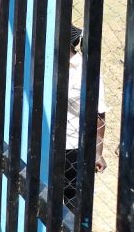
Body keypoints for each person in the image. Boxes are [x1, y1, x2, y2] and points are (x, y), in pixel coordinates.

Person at [64, 25, 107, 212]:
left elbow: (100, 113)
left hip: (74, 146)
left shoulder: (86, 70)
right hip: (46, 142)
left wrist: (97, 152)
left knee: (73, 200)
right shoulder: (45, 64)